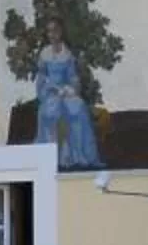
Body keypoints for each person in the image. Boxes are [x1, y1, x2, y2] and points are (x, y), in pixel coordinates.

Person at [31, 17, 104, 170]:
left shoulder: (67, 54)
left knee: (78, 107)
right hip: (50, 92)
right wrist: (46, 90)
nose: (52, 35)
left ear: (61, 32)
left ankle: (78, 155)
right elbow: (41, 77)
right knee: (52, 111)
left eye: (55, 31)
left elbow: (73, 77)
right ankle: (55, 157)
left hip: (65, 91)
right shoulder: (45, 53)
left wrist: (70, 89)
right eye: (49, 31)